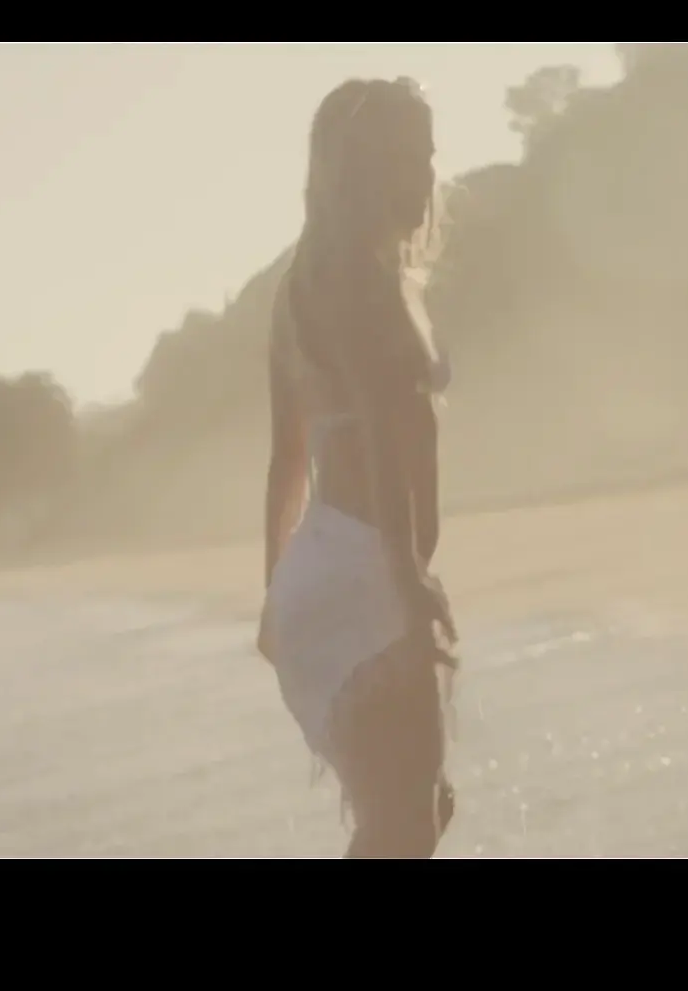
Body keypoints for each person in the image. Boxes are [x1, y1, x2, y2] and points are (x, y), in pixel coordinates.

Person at [259, 76, 458, 859]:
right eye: (405, 158)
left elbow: (286, 459)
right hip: (367, 567)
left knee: (411, 814)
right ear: (362, 170)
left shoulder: (301, 287)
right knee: (407, 822)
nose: (424, 176)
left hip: (319, 575)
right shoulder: (362, 284)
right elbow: (381, 435)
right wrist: (408, 579)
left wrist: (274, 595)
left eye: (428, 156)